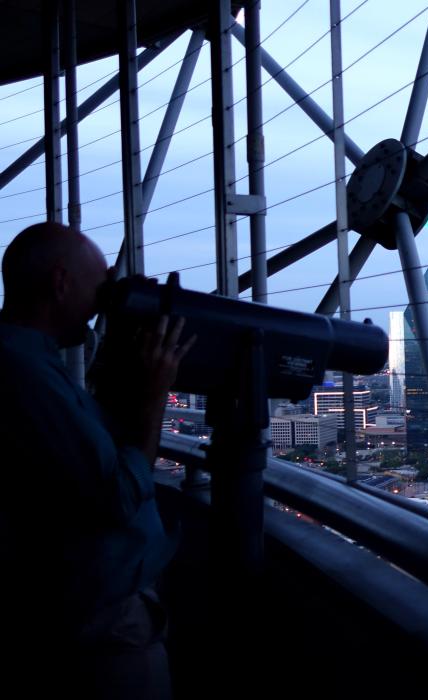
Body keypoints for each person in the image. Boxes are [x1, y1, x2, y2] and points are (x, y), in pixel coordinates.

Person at [0, 222, 194, 699]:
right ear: (62, 282)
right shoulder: (24, 372)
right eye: (101, 287)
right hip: (99, 633)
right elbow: (118, 495)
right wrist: (153, 395)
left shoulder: (34, 363)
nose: (103, 302)